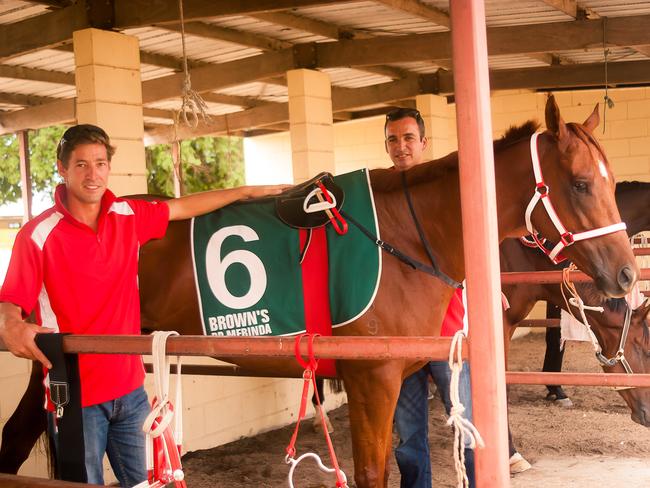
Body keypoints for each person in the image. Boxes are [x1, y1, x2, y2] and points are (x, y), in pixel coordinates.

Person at [0, 124, 287, 487]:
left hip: (130, 390)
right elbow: (11, 302)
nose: (93, 174)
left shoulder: (128, 216)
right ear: (62, 168)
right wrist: (10, 324)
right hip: (75, 396)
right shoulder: (37, 235)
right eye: (82, 165)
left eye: (101, 163)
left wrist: (245, 191)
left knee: (143, 485)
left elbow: (182, 207)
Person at [384, 107, 475, 488]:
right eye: (393, 139)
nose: (401, 146)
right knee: (407, 434)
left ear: (424, 143)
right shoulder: (380, 194)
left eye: (408, 138)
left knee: (466, 423)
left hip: (446, 331)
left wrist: (490, 290)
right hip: (401, 332)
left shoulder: (444, 189)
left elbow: (475, 243)